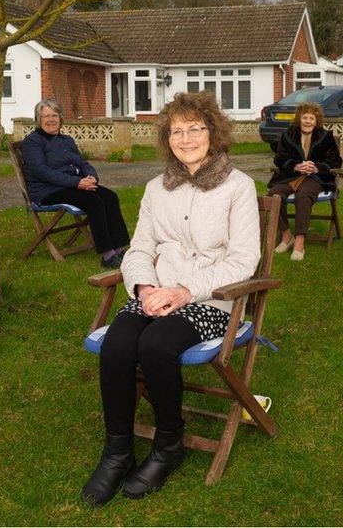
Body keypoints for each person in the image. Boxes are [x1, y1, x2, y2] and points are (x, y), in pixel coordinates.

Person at [81, 92, 260, 506]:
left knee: (157, 344)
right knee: (119, 344)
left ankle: (167, 445)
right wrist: (144, 289)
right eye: (176, 130)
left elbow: (243, 261)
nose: (185, 138)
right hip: (156, 293)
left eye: (195, 128)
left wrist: (184, 291)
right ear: (167, 138)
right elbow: (139, 249)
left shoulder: (238, 187)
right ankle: (118, 452)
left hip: (210, 299)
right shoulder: (156, 188)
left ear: (213, 132)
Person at [20, 100, 130, 267]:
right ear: (38, 119)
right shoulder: (33, 142)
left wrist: (92, 177)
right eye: (46, 116)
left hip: (71, 185)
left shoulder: (67, 140)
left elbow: (82, 162)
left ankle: (121, 249)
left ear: (60, 118)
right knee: (93, 201)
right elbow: (41, 171)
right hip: (47, 190)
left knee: (110, 196)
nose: (51, 119)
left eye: (54, 115)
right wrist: (77, 182)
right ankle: (108, 256)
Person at [267, 102, 343, 261]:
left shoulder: (325, 136)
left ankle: (300, 242)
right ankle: (287, 236)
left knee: (303, 194)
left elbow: (335, 161)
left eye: (312, 118)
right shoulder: (288, 135)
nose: (308, 121)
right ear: (299, 119)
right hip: (292, 176)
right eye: (305, 117)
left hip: (316, 178)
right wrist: (295, 166)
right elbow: (279, 158)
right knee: (274, 194)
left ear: (317, 121)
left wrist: (317, 167)